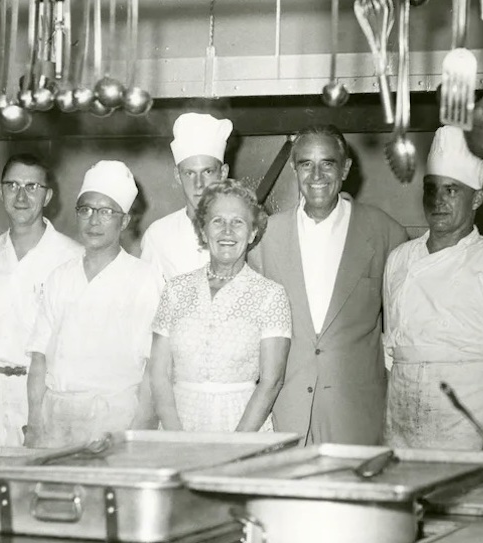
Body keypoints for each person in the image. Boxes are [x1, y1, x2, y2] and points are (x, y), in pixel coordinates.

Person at [383, 126, 483, 449]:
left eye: (452, 190)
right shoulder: (398, 261)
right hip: (401, 427)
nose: (438, 201)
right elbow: (390, 354)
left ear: (478, 198)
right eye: (432, 189)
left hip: (468, 430)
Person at [251, 124, 408, 445]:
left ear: (346, 168)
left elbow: (400, 332)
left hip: (357, 414)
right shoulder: (265, 237)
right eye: (306, 163)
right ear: (294, 169)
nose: (316, 174)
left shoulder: (386, 233)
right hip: (287, 410)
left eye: (328, 163)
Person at [25, 161, 163, 448]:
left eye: (106, 212)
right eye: (85, 210)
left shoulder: (144, 279)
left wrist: (139, 432)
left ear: (124, 221)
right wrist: (35, 426)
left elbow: (154, 368)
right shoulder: (59, 277)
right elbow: (38, 359)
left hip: (113, 420)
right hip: (56, 420)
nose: (93, 221)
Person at [150, 180, 292, 432]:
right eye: (217, 221)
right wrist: (176, 436)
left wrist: (234, 444)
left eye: (238, 222)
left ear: (252, 233)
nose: (227, 230)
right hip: (180, 422)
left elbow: (271, 381)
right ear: (203, 232)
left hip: (243, 425)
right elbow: (159, 375)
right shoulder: (175, 290)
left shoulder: (270, 295)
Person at [0, 154, 82, 446]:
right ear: (0, 192)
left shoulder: (71, 257)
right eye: (13, 186)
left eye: (32, 187)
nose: (21, 196)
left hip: (40, 394)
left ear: (47, 196)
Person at [141, 113, 233, 280]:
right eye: (189, 173)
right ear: (177, 176)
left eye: (207, 171)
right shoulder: (158, 235)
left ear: (223, 173)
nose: (199, 184)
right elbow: (148, 301)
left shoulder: (243, 229)